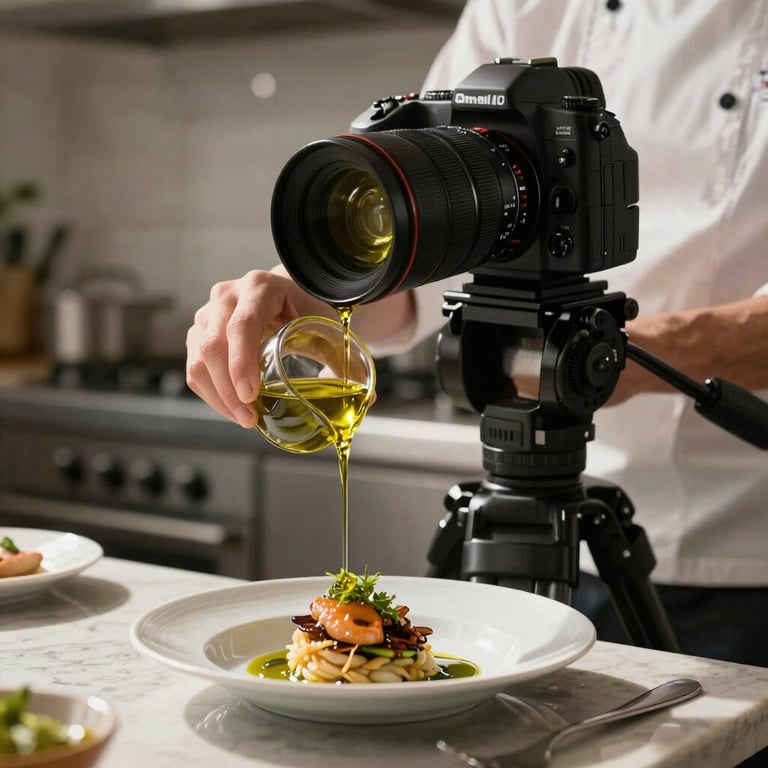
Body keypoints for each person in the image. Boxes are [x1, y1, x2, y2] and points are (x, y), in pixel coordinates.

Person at [186, 0, 768, 671]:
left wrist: (616, 355)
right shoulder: (522, 6)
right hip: (548, 529)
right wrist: (310, 290)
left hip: (748, 548)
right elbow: (442, 226)